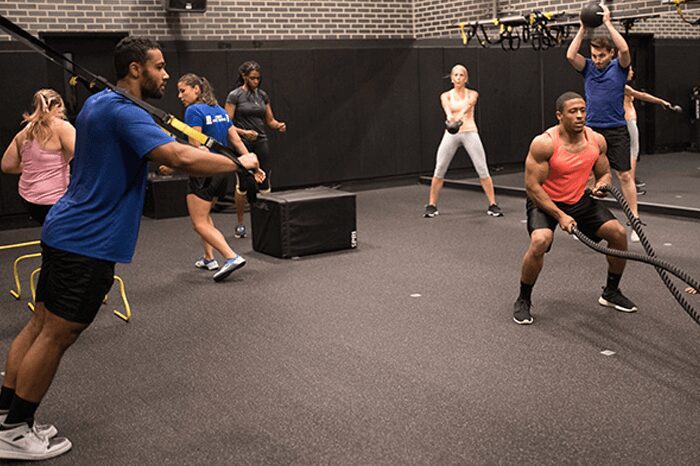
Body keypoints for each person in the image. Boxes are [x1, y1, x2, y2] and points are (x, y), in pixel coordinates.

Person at [0, 36, 261, 461]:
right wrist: (239, 163)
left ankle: (8, 414)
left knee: (39, 325)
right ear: (136, 70)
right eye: (159, 67)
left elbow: (138, 155)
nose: (166, 74)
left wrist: (151, 159)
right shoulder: (121, 110)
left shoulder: (100, 104)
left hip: (66, 230)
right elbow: (179, 156)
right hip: (87, 240)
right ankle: (14, 431)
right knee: (56, 334)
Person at [513, 92, 637, 325]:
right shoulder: (544, 143)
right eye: (573, 111)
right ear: (559, 115)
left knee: (618, 234)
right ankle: (523, 299)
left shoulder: (596, 140)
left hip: (578, 198)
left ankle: (611, 292)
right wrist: (560, 216)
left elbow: (604, 173)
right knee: (540, 240)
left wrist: (602, 185)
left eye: (582, 110)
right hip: (546, 200)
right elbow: (532, 187)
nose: (580, 116)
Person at [160, 73, 252, 279]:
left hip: (203, 173)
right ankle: (208, 258)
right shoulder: (219, 110)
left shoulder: (193, 111)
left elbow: (196, 150)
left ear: (196, 90)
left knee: (199, 222)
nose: (179, 95)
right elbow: (236, 143)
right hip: (221, 173)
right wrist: (251, 165)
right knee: (206, 215)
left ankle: (230, 257)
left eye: (183, 90)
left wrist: (172, 167)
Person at [566, 5, 640, 242]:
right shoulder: (587, 68)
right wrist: (583, 28)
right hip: (591, 130)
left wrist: (608, 23)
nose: (596, 60)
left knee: (625, 176)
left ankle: (635, 221)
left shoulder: (620, 68)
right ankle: (584, 222)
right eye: (594, 55)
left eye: (601, 56)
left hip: (616, 129)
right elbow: (570, 55)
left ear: (610, 54)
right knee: (586, 176)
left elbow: (625, 48)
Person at [424, 64, 502, 218]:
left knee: (482, 169)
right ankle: (431, 205)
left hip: (469, 131)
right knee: (439, 169)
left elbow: (468, 105)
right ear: (452, 78)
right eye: (456, 75)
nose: (458, 78)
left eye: (461, 75)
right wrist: (449, 118)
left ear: (466, 78)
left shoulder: (472, 94)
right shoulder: (445, 95)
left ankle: (493, 204)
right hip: (451, 134)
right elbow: (446, 107)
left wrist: (458, 118)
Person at [225, 60, 286, 238]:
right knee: (243, 184)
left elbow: (270, 120)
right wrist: (244, 132)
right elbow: (226, 123)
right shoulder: (234, 95)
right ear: (244, 77)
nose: (256, 81)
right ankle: (240, 223)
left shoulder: (263, 95)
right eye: (252, 78)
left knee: (264, 181)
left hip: (261, 142)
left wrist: (279, 125)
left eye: (258, 78)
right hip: (241, 143)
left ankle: (268, 221)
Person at [1, 89, 75, 225]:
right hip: (55, 201)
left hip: (30, 201)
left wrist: (34, 167)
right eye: (61, 110)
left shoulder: (23, 133)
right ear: (57, 106)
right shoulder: (63, 127)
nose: (62, 114)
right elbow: (81, 155)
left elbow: (7, 166)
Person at [624, 65, 673, 196]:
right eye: (630, 70)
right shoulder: (623, 87)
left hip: (625, 121)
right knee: (633, 152)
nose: (632, 72)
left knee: (628, 153)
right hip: (629, 121)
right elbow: (642, 95)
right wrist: (661, 101)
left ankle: (631, 179)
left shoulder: (615, 85)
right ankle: (631, 184)